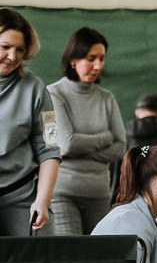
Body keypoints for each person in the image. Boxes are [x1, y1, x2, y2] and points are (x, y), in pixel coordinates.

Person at [47, 27, 126, 236]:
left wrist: (78, 150)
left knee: (99, 258)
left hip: (99, 192)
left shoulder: (106, 97)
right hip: (62, 193)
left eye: (101, 58)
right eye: (91, 58)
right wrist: (105, 137)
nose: (98, 65)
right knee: (71, 257)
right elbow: (68, 143)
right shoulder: (54, 94)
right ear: (73, 60)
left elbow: (120, 148)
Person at [0, 8, 60, 236]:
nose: (12, 56)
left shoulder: (36, 89)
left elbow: (50, 149)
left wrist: (42, 201)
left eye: (20, 50)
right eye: (5, 47)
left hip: (23, 196)